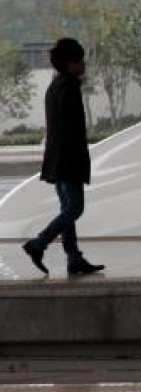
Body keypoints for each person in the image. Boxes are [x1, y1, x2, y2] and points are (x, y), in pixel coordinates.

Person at [22, 38, 105, 276]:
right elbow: (71, 129)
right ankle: (39, 244)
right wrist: (77, 163)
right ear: (71, 64)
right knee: (75, 208)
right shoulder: (69, 86)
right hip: (68, 159)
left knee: (67, 208)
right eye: (80, 60)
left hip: (57, 158)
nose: (84, 64)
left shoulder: (55, 85)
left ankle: (74, 259)